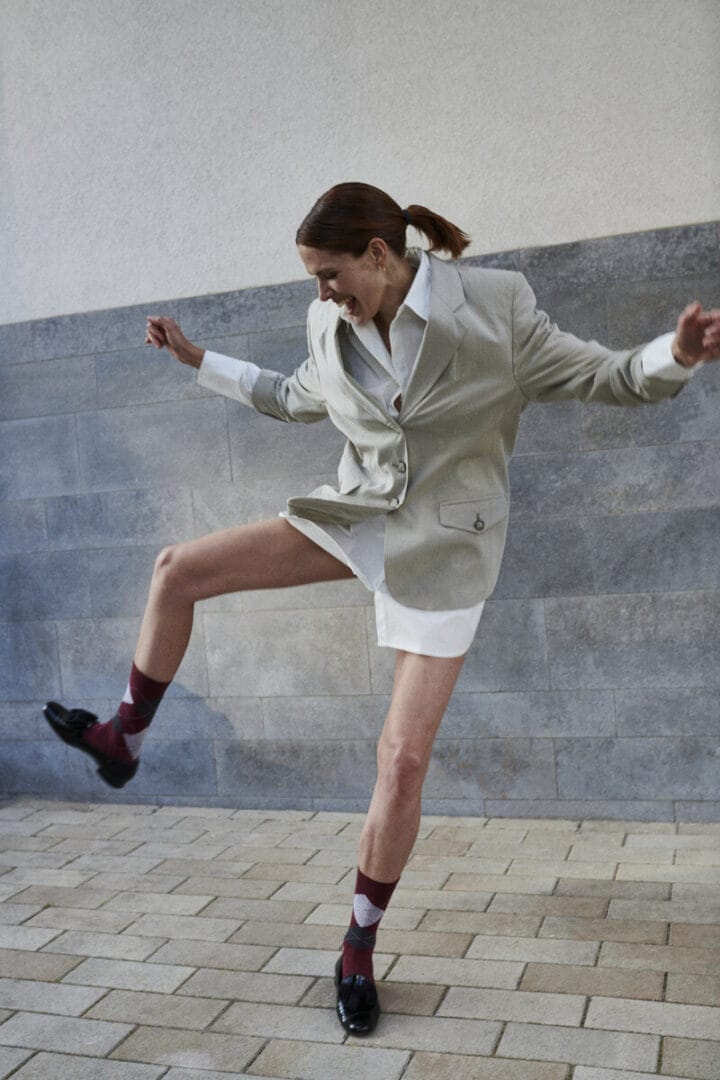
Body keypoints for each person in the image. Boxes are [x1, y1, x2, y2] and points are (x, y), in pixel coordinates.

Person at [44, 182, 720, 1035]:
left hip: (446, 545)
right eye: (314, 280)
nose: (322, 292)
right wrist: (197, 359)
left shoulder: (496, 305)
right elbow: (292, 396)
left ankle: (357, 947)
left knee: (400, 760)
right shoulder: (328, 323)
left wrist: (675, 356)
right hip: (358, 515)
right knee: (176, 570)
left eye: (330, 274)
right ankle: (123, 740)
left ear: (378, 253)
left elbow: (606, 376)